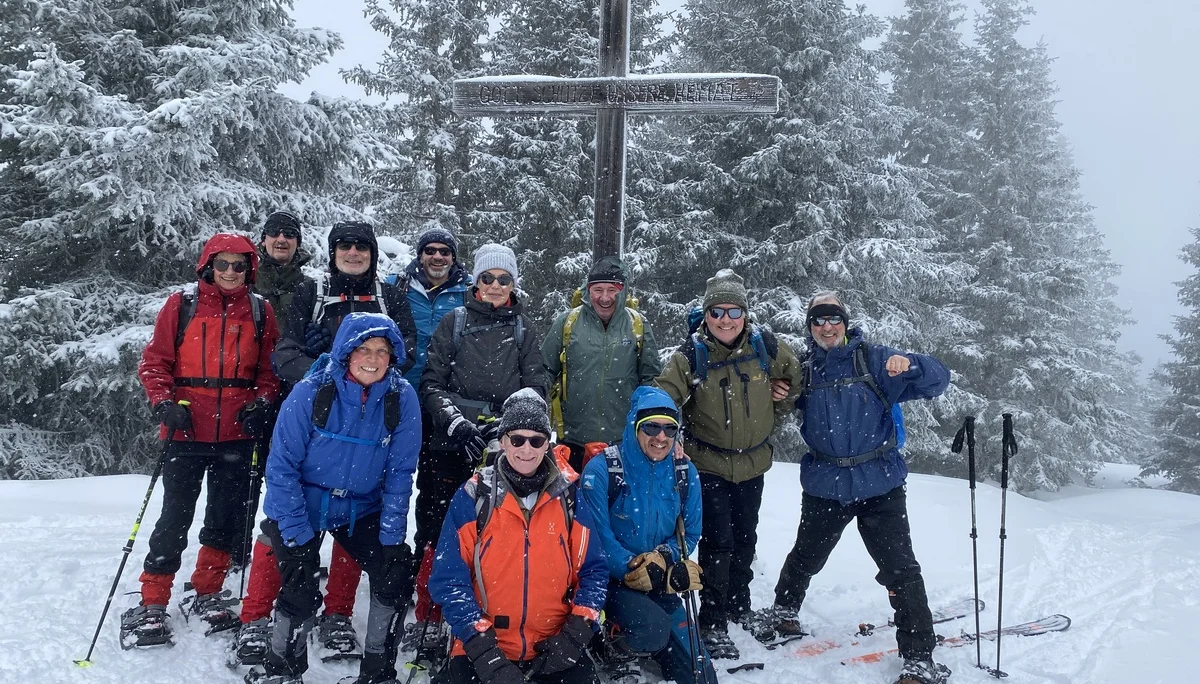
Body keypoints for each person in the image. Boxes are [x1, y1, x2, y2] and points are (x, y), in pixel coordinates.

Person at [241, 219, 419, 663]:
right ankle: (256, 620)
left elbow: (408, 348)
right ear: (333, 250)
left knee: (357, 527)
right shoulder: (312, 292)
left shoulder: (389, 296)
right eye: (345, 245)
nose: (353, 252)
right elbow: (284, 352)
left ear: (373, 253)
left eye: (362, 246)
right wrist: (327, 375)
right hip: (317, 421)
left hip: (371, 421)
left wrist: (357, 373)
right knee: (283, 529)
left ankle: (338, 615)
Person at [751, 292, 952, 684]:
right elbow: (776, 404)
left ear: (845, 322)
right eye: (818, 320)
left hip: (881, 484)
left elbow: (938, 379)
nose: (827, 327)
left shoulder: (875, 360)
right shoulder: (806, 371)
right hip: (826, 483)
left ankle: (919, 656)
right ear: (810, 327)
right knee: (806, 555)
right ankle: (783, 611)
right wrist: (777, 391)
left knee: (900, 569)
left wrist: (912, 364)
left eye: (833, 319)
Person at [122, 232, 281, 648]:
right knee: (174, 516)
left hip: (236, 431)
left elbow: (268, 372)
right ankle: (153, 597)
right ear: (208, 265)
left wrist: (262, 401)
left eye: (239, 265)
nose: (231, 272)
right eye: (223, 264)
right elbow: (154, 361)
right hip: (186, 426)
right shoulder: (182, 304)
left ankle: (207, 589)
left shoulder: (261, 312)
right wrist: (162, 404)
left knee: (224, 517)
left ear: (250, 269)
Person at [654, 269, 802, 660]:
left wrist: (780, 403)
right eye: (716, 311)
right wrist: (666, 433)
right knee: (719, 542)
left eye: (733, 310)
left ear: (745, 314)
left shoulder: (765, 347)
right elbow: (663, 395)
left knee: (746, 538)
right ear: (706, 315)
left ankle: (740, 605)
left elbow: (795, 376)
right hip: (709, 463)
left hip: (754, 464)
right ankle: (713, 620)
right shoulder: (691, 355)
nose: (725, 319)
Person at [410, 243, 547, 666]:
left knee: (493, 531)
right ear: (476, 282)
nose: (494, 286)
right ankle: (430, 613)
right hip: (448, 446)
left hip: (503, 447)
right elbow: (431, 383)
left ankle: (488, 610)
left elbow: (535, 389)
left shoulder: (523, 329)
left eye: (503, 279)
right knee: (436, 527)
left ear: (512, 285)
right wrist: (456, 423)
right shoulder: (455, 322)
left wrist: (504, 429)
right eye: (487, 278)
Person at [428, 389, 606, 684]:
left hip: (553, 645)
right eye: (517, 439)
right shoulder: (474, 497)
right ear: (503, 441)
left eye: (536, 440)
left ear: (548, 443)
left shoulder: (570, 497)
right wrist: (483, 649)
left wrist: (575, 636)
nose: (526, 449)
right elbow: (449, 580)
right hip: (484, 646)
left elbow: (594, 572)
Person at [579, 386, 716, 684]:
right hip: (606, 583)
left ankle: (648, 640)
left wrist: (665, 560)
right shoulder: (603, 469)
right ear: (635, 427)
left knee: (702, 676)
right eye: (651, 426)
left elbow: (690, 532)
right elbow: (594, 540)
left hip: (659, 581)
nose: (661, 437)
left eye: (670, 429)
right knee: (650, 629)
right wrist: (632, 565)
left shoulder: (684, 472)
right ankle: (611, 647)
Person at [543, 256, 661, 472]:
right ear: (588, 291)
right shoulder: (568, 322)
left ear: (622, 290)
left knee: (619, 504)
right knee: (574, 503)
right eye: (598, 290)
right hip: (572, 441)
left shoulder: (637, 325)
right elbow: (544, 372)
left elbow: (651, 380)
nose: (605, 297)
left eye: (612, 289)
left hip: (624, 442)